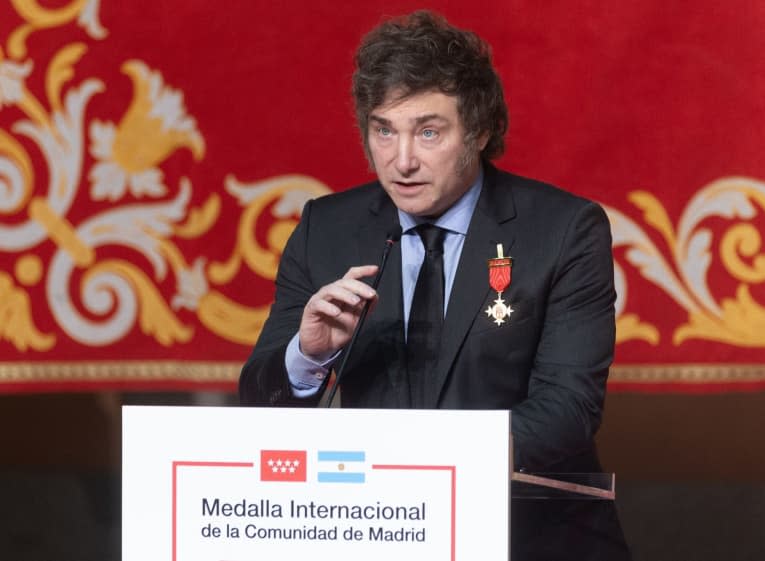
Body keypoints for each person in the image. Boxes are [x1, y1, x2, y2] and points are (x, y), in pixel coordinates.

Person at [240, 10, 630, 560]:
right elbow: (261, 401)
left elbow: (568, 410)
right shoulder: (325, 228)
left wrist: (422, 469)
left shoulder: (564, 230)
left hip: (528, 534)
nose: (402, 161)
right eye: (384, 130)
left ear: (479, 130)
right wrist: (307, 355)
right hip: (378, 534)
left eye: (428, 132)